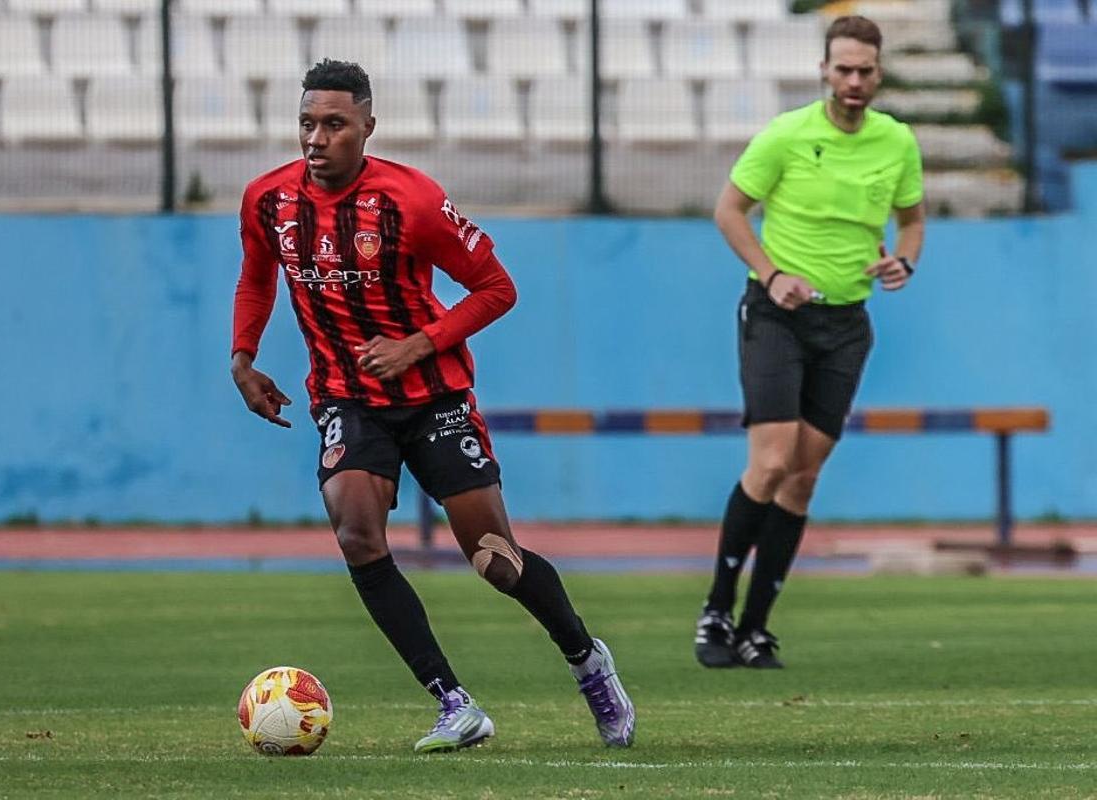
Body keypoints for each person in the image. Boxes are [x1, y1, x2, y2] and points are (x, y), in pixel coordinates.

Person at [231, 59, 634, 751]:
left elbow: (496, 287)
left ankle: (587, 660)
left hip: (433, 395)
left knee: (494, 559)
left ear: (367, 126)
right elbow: (256, 277)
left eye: (334, 124)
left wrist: (416, 345)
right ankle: (453, 703)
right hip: (346, 396)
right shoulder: (268, 200)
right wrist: (242, 358)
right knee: (357, 534)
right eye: (307, 123)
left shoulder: (411, 200)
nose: (316, 138)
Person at [695, 16, 926, 669]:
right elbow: (729, 210)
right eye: (843, 69)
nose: (854, 81)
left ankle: (755, 628)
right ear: (824, 70)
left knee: (802, 478)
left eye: (865, 71)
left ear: (879, 74)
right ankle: (716, 610)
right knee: (771, 463)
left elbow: (912, 220)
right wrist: (772, 275)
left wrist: (905, 260)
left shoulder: (897, 142)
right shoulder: (787, 135)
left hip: (847, 325)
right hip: (776, 315)